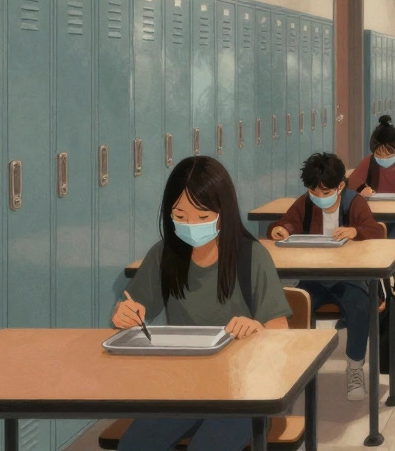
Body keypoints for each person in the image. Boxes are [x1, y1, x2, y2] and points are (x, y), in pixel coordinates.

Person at [112, 156, 291, 451]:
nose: (191, 225)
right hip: (183, 389)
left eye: (202, 216)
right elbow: (134, 307)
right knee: (134, 445)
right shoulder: (164, 255)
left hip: (243, 393)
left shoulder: (250, 257)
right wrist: (124, 314)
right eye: (180, 217)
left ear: (224, 212)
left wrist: (258, 328)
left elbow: (280, 330)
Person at [266, 152, 384, 401]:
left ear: (340, 185)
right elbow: (286, 223)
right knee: (288, 306)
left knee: (360, 306)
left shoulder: (354, 202)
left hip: (348, 279)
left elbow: (375, 232)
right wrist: (281, 229)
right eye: (313, 192)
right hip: (313, 279)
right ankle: (291, 367)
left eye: (325, 192)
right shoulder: (305, 203)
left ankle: (354, 367)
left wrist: (355, 231)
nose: (319, 197)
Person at [346, 116, 395, 242]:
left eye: (388, 154)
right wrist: (362, 190)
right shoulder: (369, 161)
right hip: (373, 217)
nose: (383, 158)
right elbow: (349, 185)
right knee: (364, 238)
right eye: (378, 154)